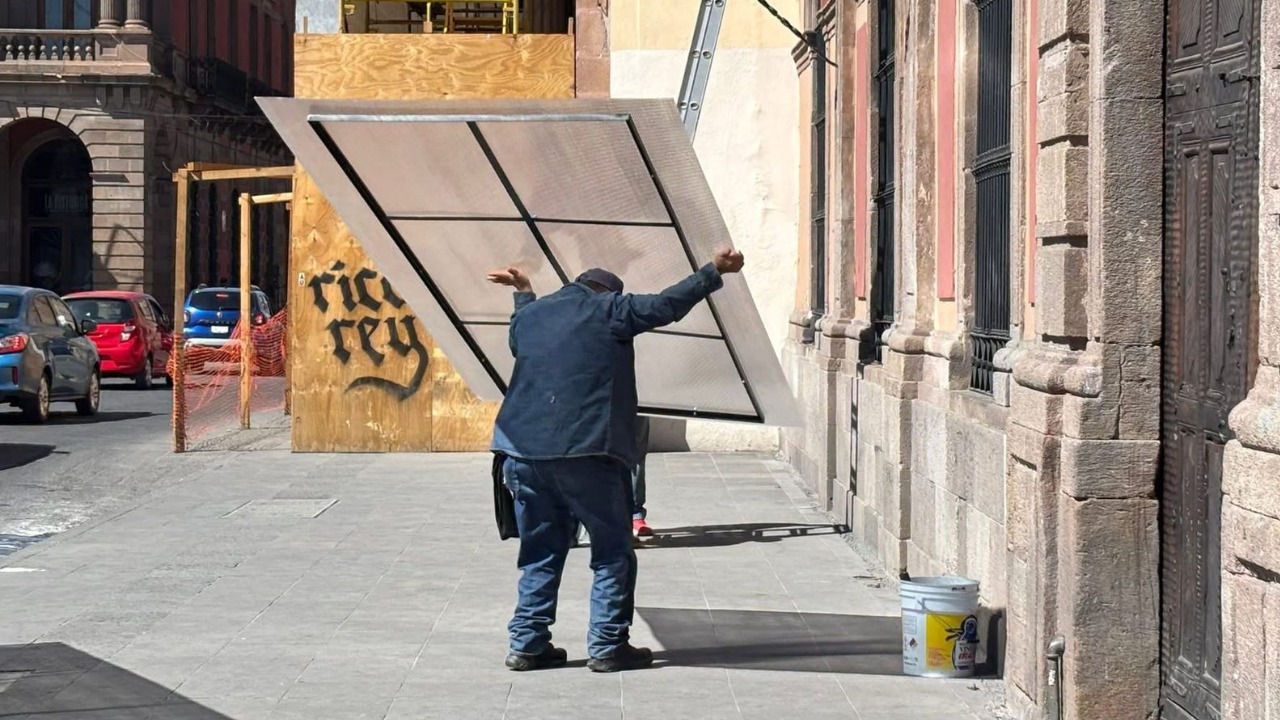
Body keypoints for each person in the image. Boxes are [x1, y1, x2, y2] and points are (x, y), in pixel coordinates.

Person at [487, 247, 745, 673]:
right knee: (611, 551)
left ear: (576, 285)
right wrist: (714, 270)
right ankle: (608, 645)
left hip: (522, 453)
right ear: (608, 291)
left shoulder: (535, 316)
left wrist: (524, 293)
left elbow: (518, 338)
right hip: (586, 454)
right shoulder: (611, 310)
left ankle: (528, 644)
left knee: (540, 551)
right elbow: (666, 305)